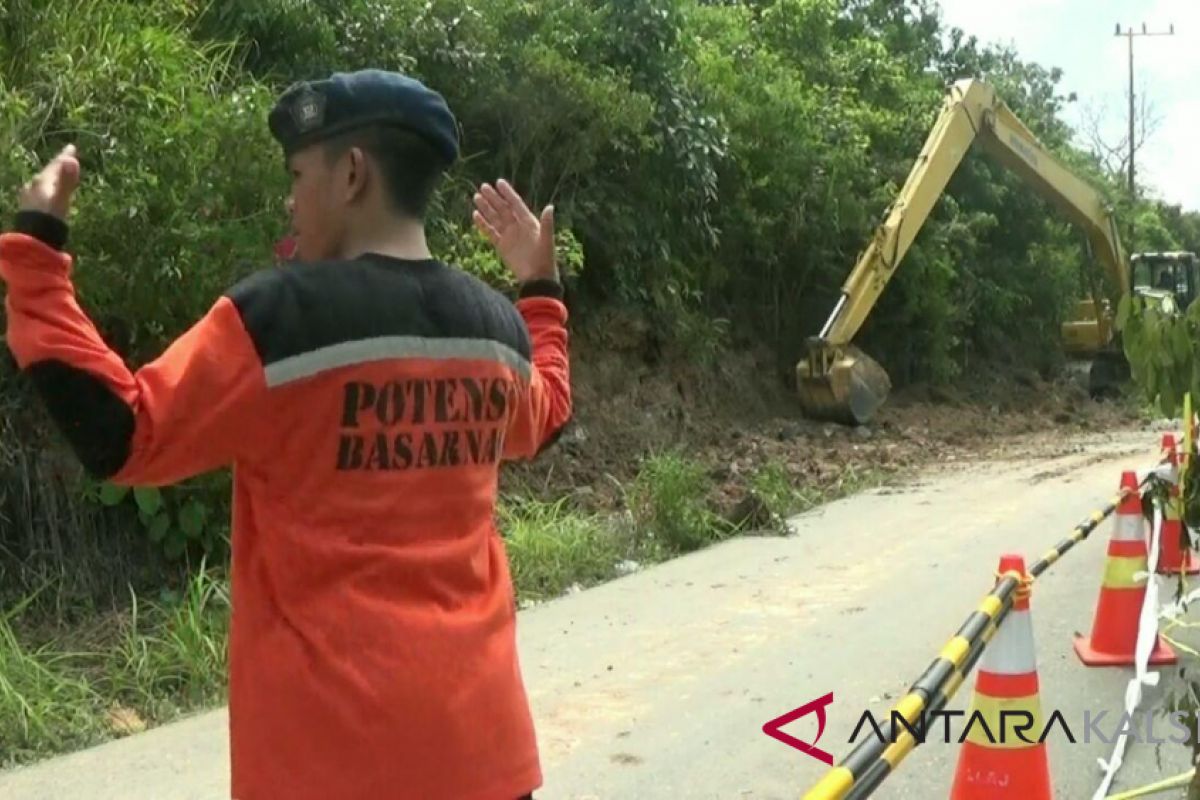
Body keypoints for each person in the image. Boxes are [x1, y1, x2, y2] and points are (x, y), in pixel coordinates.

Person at [0, 69, 571, 800]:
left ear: (352, 173)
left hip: (326, 770)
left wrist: (36, 257)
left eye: (299, 173)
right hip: (486, 759)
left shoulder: (277, 322)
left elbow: (125, 435)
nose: (289, 200)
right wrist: (539, 288)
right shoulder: (495, 331)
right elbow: (548, 415)